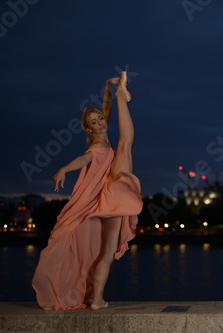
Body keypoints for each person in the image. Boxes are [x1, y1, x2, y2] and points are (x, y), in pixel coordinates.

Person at [32, 71, 143, 310]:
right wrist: (64, 168)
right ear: (89, 129)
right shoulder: (96, 147)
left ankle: (97, 299)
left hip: (108, 197)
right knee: (125, 144)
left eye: (100, 119)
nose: (100, 122)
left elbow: (106, 111)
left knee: (105, 252)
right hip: (113, 195)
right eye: (94, 122)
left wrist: (106, 86)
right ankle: (98, 299)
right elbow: (83, 160)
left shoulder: (103, 137)